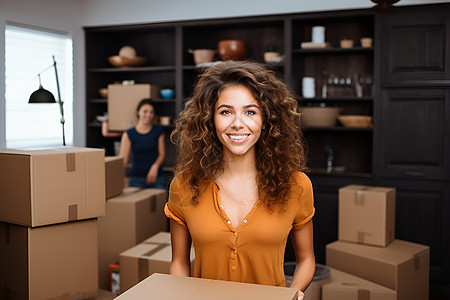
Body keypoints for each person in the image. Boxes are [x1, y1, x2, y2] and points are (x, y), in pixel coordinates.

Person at [164, 61, 315, 300]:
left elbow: (306, 260)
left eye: (250, 112)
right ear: (209, 119)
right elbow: (179, 263)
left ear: (267, 119)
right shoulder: (184, 185)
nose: (237, 123)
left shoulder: (297, 185)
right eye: (226, 111)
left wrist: (294, 292)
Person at [103, 98, 166, 189]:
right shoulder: (129, 134)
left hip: (157, 178)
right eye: (145, 111)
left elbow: (162, 154)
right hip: (136, 179)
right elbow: (123, 160)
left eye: (151, 112)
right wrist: (119, 179)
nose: (148, 114)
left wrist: (155, 167)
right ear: (138, 112)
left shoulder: (158, 131)